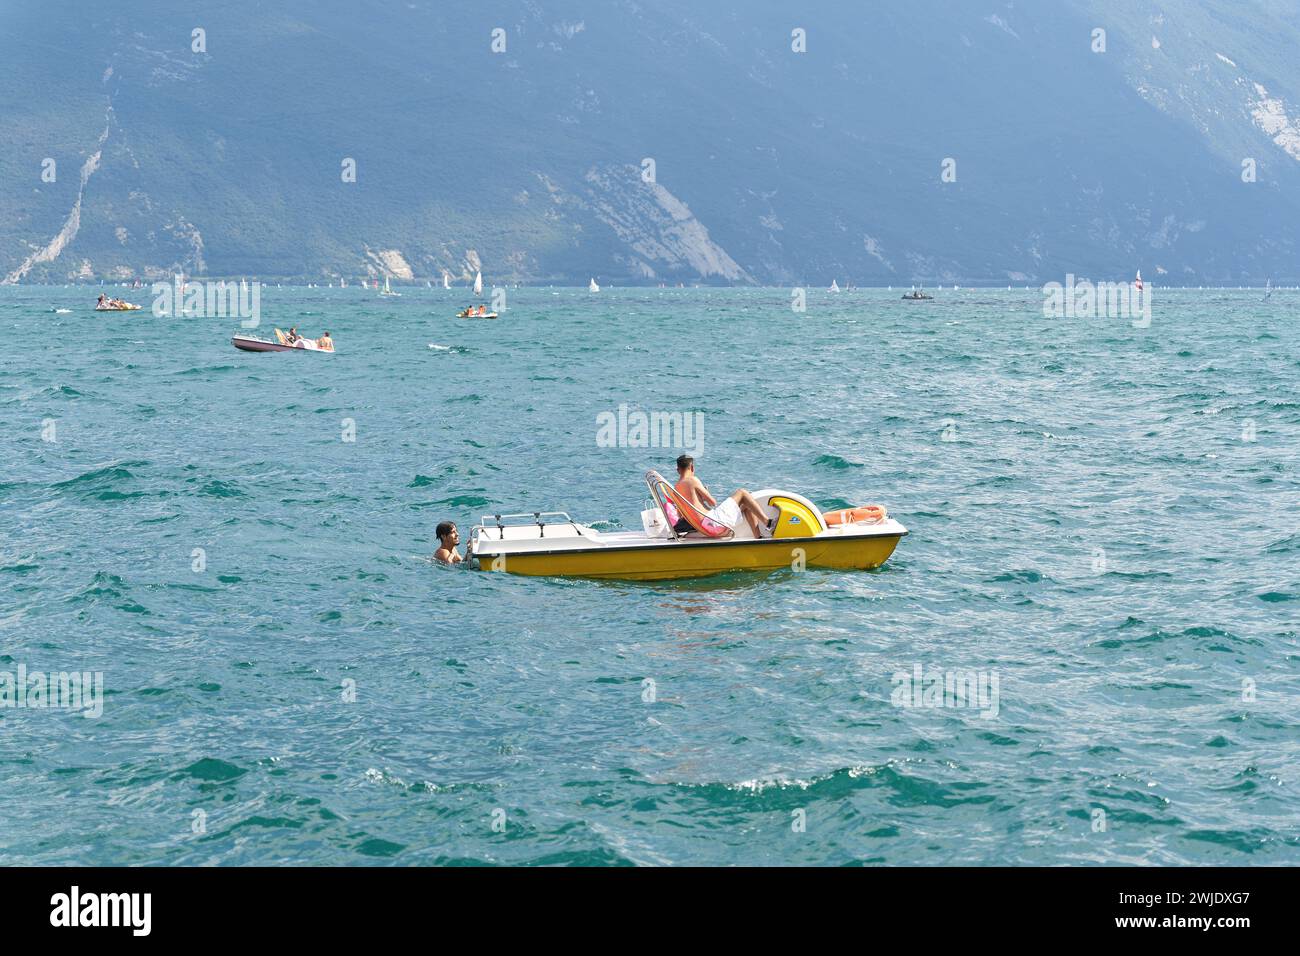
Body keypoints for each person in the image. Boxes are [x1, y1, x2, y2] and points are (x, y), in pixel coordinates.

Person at [672, 455, 773, 538]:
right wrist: (705, 492)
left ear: (678, 470)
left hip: (704, 528)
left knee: (746, 503)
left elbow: (680, 515)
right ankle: (768, 523)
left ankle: (758, 537)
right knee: (742, 492)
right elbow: (712, 502)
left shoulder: (675, 489)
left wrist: (699, 499)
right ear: (692, 467)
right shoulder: (692, 480)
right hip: (714, 523)